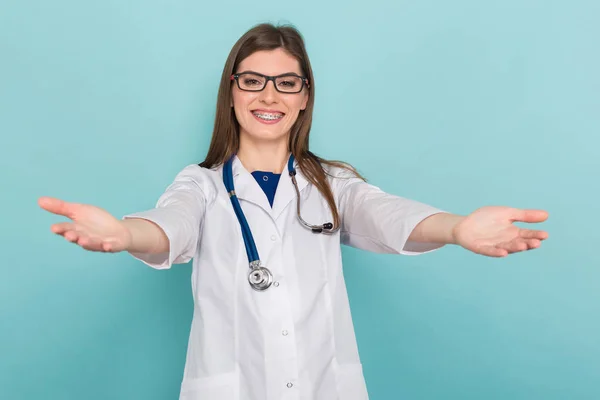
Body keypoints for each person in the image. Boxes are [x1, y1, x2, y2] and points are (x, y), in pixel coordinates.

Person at [38, 23, 549, 400]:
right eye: (252, 80)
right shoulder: (202, 184)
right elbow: (170, 224)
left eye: (287, 82)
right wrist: (127, 235)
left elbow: (386, 214)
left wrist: (457, 228)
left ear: (304, 98)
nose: (269, 95)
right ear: (232, 92)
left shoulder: (332, 186)